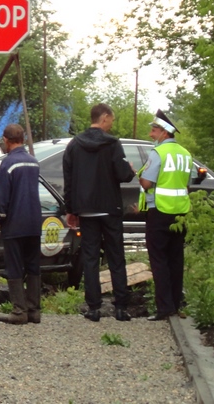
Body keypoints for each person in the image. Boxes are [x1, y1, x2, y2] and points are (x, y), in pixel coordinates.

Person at [62, 103, 135, 322]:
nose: (112, 123)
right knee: (116, 257)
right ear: (104, 118)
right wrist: (130, 170)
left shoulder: (74, 145)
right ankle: (121, 308)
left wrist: (70, 210)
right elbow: (123, 174)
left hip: (86, 210)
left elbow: (69, 180)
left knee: (90, 258)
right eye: (111, 119)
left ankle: (94, 308)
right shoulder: (113, 144)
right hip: (110, 208)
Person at [138, 109, 193, 321]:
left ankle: (164, 308)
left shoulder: (158, 153)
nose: (151, 134)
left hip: (160, 210)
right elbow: (187, 183)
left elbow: (147, 183)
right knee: (176, 259)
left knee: (159, 260)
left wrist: (137, 175)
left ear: (164, 132)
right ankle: (176, 304)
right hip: (181, 213)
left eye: (154, 130)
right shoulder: (186, 154)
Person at [0, 123, 44, 325]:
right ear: (23, 139)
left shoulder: (8, 163)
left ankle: (19, 311)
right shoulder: (34, 162)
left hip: (15, 223)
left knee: (14, 266)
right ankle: (34, 310)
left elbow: (2, 197)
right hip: (34, 222)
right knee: (33, 265)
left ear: (6, 140)